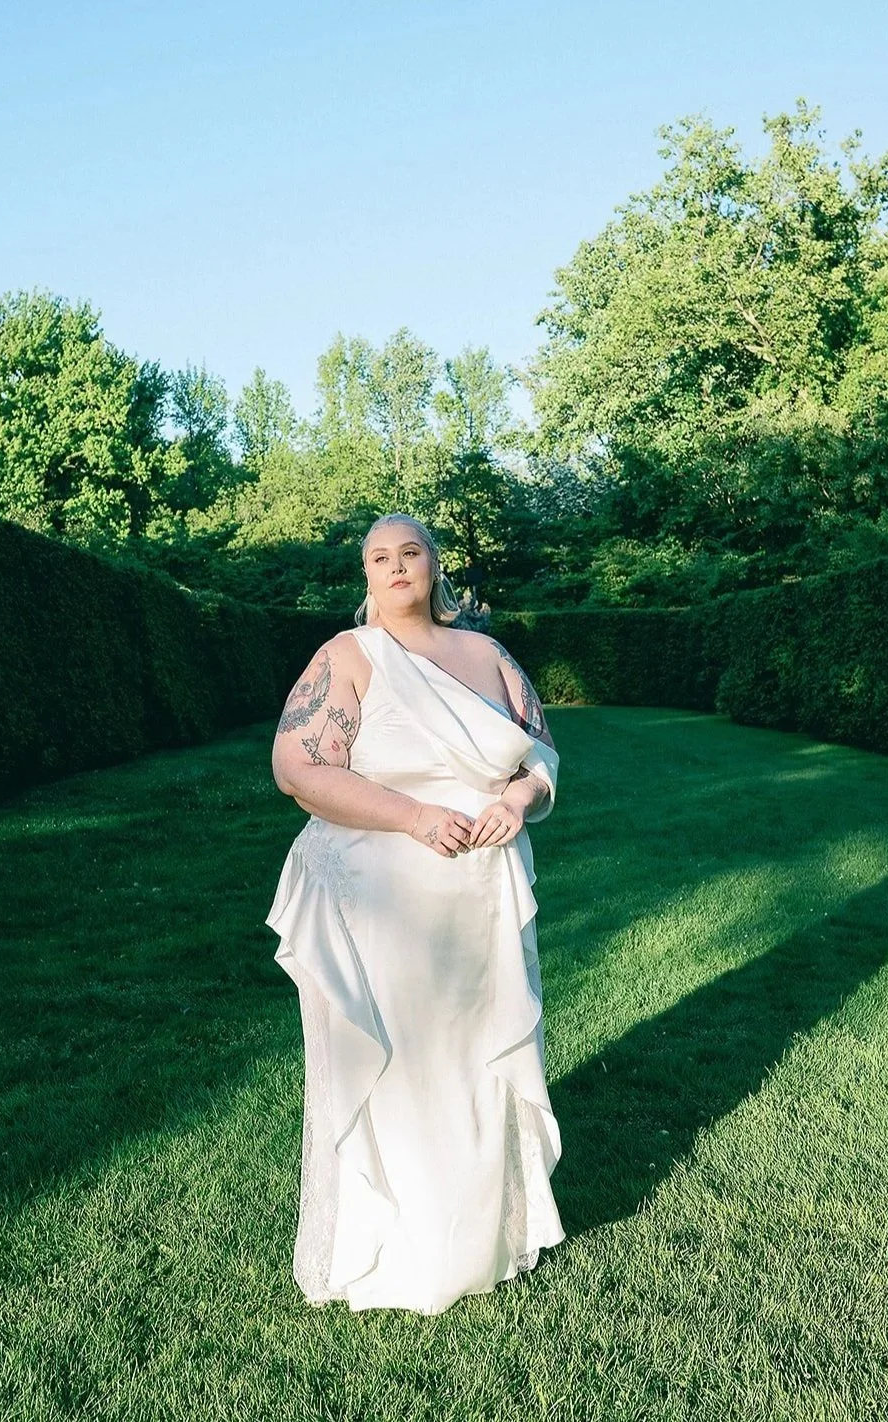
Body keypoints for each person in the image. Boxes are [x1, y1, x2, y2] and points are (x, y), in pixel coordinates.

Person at [265, 512, 564, 1315]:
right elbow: (297, 768)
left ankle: (484, 1241)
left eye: (410, 552)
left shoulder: (489, 655)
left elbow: (539, 751)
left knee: (474, 1063)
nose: (396, 566)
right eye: (379, 557)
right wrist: (415, 817)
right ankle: (398, 1256)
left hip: (482, 894)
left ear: (435, 565)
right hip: (383, 899)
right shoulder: (346, 656)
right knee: (400, 1069)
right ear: (365, 575)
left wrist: (516, 799)